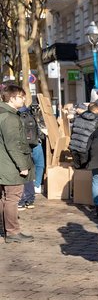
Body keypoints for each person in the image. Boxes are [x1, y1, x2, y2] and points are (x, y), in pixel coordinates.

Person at [0, 85, 35, 243]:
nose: (23, 99)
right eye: (21, 96)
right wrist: (22, 166)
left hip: (4, 164)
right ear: (12, 98)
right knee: (12, 198)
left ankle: (6, 228)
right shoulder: (10, 117)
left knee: (4, 198)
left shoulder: (4, 114)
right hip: (10, 166)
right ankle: (13, 232)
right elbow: (13, 145)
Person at [68, 103, 98, 169]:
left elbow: (73, 132)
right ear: (97, 109)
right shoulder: (97, 119)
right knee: (85, 173)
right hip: (85, 150)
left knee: (78, 172)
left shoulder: (78, 117)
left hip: (74, 148)